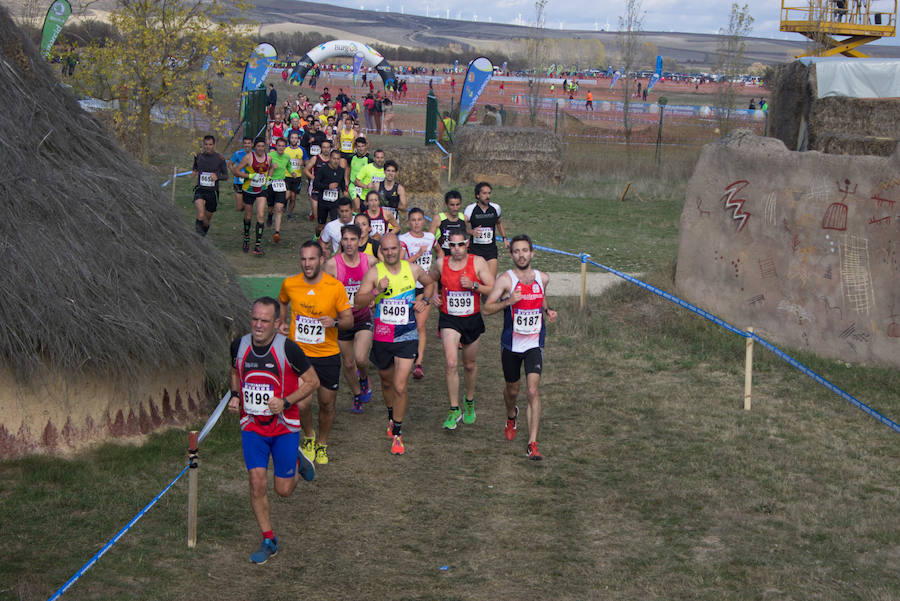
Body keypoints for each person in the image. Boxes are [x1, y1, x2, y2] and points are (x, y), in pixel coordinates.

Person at [228, 297, 319, 564]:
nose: (258, 325)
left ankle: (297, 460)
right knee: (256, 483)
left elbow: (313, 381)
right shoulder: (239, 345)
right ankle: (269, 539)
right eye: (255, 319)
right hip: (252, 426)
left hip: (284, 427)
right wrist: (235, 395)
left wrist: (287, 401)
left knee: (283, 491)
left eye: (265, 321)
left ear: (277, 323)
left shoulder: (288, 349)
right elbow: (234, 370)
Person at [354, 233, 435, 455]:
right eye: (386, 249)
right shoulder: (374, 273)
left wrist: (425, 301)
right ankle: (391, 415)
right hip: (382, 336)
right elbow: (358, 301)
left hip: (406, 335)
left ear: (400, 249)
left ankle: (397, 433)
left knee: (400, 385)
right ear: (381, 251)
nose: (390, 253)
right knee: (387, 382)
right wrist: (376, 291)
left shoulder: (413, 269)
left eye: (393, 249)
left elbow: (430, 284)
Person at [483, 235, 558, 460]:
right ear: (511, 254)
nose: (521, 255)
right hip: (511, 345)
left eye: (525, 250)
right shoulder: (506, 280)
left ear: (532, 253)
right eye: (516, 251)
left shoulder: (542, 278)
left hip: (534, 342)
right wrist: (509, 302)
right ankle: (510, 414)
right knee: (512, 390)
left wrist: (547, 310)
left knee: (532, 390)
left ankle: (532, 444)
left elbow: (541, 296)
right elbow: (486, 309)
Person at [279, 241, 354, 465]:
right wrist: (281, 322)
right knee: (302, 403)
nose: (307, 263)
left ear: (321, 260)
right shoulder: (290, 284)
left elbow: (349, 320)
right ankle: (309, 437)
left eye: (312, 259)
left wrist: (334, 322)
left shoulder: (335, 287)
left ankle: (322, 443)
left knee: (326, 404)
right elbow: (282, 301)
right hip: (299, 354)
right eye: (303, 259)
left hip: (327, 354)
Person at [428, 232, 495, 429]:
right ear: (449, 245)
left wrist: (474, 285)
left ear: (467, 244)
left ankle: (469, 400)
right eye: (453, 245)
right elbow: (430, 279)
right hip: (449, 318)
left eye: (460, 244)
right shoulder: (441, 263)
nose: (456, 248)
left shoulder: (478, 262)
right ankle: (454, 408)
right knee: (450, 363)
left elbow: (493, 288)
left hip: (471, 319)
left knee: (469, 365)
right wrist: (434, 295)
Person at [324, 224, 378, 414]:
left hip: (363, 317)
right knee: (348, 363)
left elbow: (380, 282)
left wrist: (373, 297)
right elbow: (326, 292)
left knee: (361, 359)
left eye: (352, 239)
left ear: (359, 240)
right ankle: (357, 394)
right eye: (345, 239)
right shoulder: (332, 264)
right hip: (343, 321)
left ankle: (364, 379)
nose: (348, 243)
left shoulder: (370, 261)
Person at [398, 208, 436, 379]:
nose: (416, 223)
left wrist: (436, 275)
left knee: (420, 326)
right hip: (407, 287)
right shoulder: (403, 239)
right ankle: (403, 355)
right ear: (409, 222)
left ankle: (418, 363)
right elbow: (400, 263)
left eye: (419, 219)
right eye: (413, 220)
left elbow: (440, 254)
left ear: (424, 221)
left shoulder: (430, 238)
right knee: (406, 324)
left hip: (425, 286)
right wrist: (418, 255)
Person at [231, 137, 272, 255]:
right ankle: (246, 239)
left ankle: (258, 245)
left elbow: (270, 169)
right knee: (248, 216)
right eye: (258, 146)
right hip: (248, 190)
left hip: (261, 190)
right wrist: (249, 176)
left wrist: (268, 178)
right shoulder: (248, 157)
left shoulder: (268, 158)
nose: (260, 148)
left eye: (262, 146)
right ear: (255, 147)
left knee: (261, 215)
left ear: (264, 147)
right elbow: (236, 171)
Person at [464, 181, 509, 280]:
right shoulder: (470, 209)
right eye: (484, 193)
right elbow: (462, 227)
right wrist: (471, 232)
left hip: (490, 250)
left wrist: (504, 238)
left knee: (491, 282)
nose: (487, 196)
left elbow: (499, 222)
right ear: (477, 195)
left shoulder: (495, 208)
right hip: (475, 250)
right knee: (476, 280)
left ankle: (487, 296)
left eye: (489, 193)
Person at [191, 135, 229, 236]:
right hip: (200, 190)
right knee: (200, 214)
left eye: (210, 145)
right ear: (203, 145)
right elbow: (195, 166)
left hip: (213, 192)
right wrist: (194, 171)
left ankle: (204, 232)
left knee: (206, 220)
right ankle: (197, 239)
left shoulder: (220, 159)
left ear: (214, 145)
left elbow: (226, 176)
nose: (208, 147)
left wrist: (218, 177)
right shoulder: (199, 156)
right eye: (206, 144)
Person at [312, 150, 348, 237]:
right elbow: (315, 184)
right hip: (323, 202)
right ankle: (317, 236)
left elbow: (342, 182)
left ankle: (332, 242)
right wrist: (328, 186)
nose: (336, 161)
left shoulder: (341, 171)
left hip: (335, 203)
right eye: (334, 158)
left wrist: (344, 191)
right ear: (330, 159)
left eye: (337, 159)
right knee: (321, 226)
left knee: (334, 224)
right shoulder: (323, 170)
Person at [430, 189, 469, 261]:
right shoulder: (438, 218)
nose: (455, 208)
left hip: (460, 258)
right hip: (444, 257)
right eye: (452, 205)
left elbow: (466, 235)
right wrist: (439, 251)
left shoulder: (464, 218)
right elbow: (429, 238)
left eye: (457, 205)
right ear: (446, 205)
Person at [304, 138, 333, 227]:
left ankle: (321, 234)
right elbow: (306, 170)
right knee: (318, 216)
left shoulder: (333, 160)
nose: (326, 149)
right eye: (324, 147)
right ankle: (314, 215)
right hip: (315, 188)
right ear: (321, 148)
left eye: (328, 147)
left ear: (330, 148)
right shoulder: (315, 158)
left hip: (327, 189)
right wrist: (314, 178)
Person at [267, 137, 291, 243]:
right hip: (270, 183)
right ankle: (269, 216)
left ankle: (277, 232)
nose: (281, 148)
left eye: (283, 146)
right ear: (276, 146)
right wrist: (271, 166)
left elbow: (289, 167)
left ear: (285, 147)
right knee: (271, 207)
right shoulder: (270, 156)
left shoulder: (287, 157)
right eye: (279, 146)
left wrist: (292, 172)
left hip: (281, 184)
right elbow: (264, 167)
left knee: (279, 208)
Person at [284, 131, 306, 220]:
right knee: (287, 195)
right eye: (292, 138)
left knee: (293, 197)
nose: (293, 139)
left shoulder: (302, 150)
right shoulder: (285, 149)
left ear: (298, 139)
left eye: (295, 138)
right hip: (286, 176)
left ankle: (289, 213)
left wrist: (303, 162)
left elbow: (307, 162)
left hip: (297, 177)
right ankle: (283, 203)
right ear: (289, 139)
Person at [228, 136, 253, 212]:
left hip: (250, 181)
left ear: (252, 144)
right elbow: (230, 164)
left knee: (248, 204)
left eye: (249, 143)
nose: (247, 145)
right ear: (243, 144)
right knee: (239, 208)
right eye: (245, 143)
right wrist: (234, 172)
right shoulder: (238, 153)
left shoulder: (255, 153)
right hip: (239, 181)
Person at [348, 137, 372, 211]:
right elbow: (347, 168)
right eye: (358, 146)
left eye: (362, 146)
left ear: (365, 146)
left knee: (363, 208)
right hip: (353, 186)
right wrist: (346, 181)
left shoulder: (370, 160)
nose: (360, 148)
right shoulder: (351, 157)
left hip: (365, 187)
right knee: (357, 206)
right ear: (355, 147)